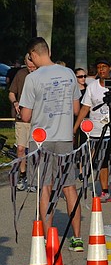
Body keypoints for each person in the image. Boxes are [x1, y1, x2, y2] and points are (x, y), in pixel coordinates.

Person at [18, 37, 84, 251]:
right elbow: (76, 109)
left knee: (44, 187)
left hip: (41, 140)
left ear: (33, 54)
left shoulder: (33, 78)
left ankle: (48, 240)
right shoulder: (69, 74)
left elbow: (26, 116)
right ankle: (77, 238)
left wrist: (22, 109)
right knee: (69, 187)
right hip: (64, 137)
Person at [73, 56, 111, 202]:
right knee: (102, 160)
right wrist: (75, 128)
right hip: (98, 129)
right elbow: (85, 108)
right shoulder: (92, 86)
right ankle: (105, 190)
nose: (101, 70)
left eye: (104, 67)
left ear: (109, 68)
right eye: (99, 67)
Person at [9, 53, 35, 191]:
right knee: (21, 148)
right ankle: (22, 174)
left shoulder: (40, 75)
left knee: (35, 149)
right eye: (29, 65)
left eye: (33, 65)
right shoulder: (20, 74)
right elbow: (11, 92)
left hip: (37, 119)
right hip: (22, 119)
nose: (31, 68)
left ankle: (34, 177)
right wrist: (15, 102)